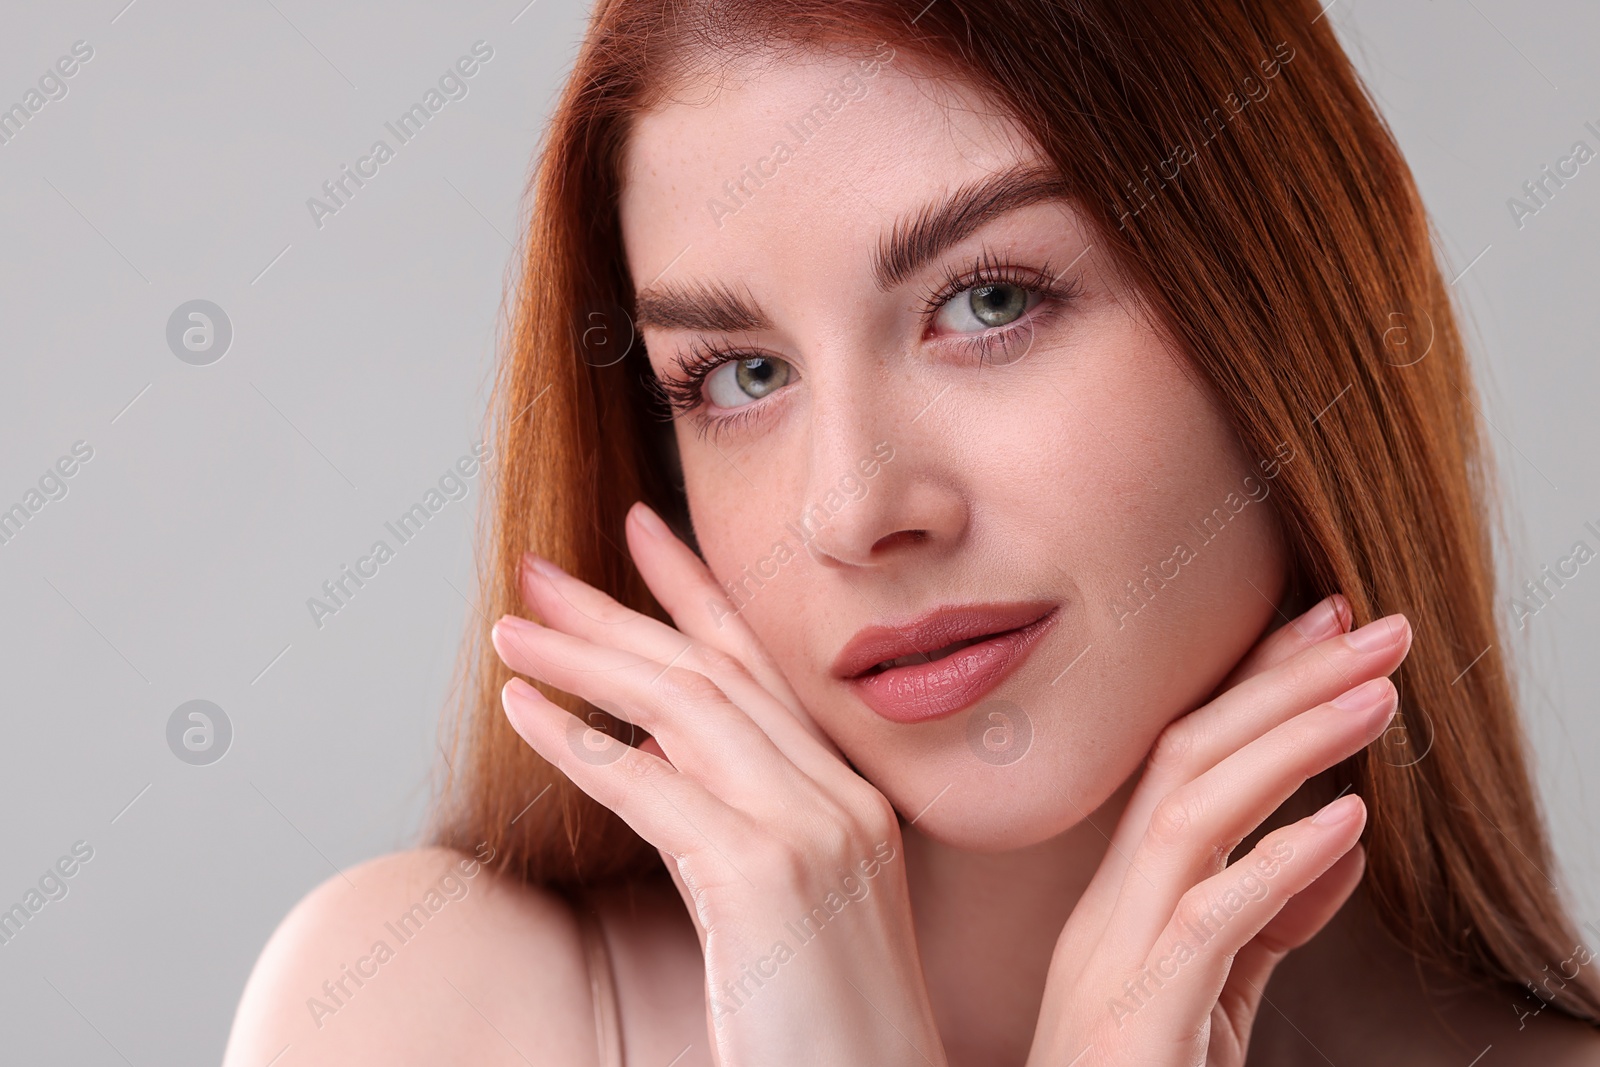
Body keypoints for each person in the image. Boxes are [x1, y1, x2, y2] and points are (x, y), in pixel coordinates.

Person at [223, 1, 1600, 1063]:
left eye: (990, 301)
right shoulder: (433, 1008)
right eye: (740, 376)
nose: (857, 511)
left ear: (1287, 314)